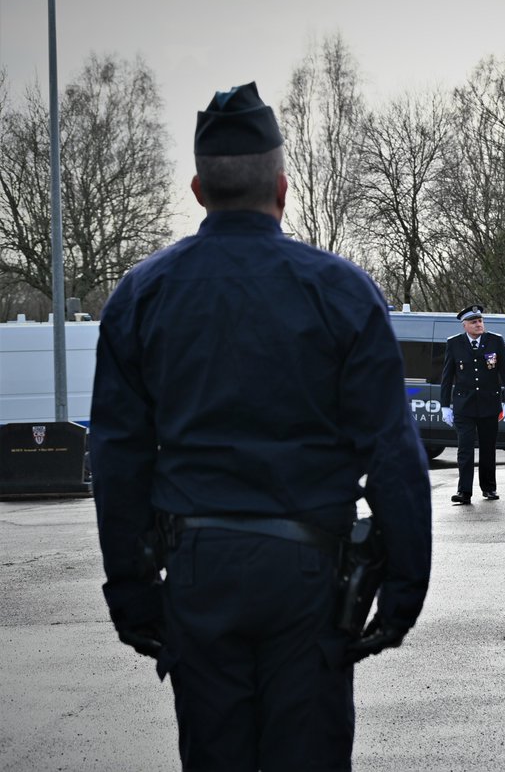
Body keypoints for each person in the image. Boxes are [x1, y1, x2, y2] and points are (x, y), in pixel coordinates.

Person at [90, 82, 433, 770]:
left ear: (196, 189)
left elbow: (118, 456)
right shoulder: (340, 291)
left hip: (196, 569)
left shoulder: (141, 294)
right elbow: (393, 451)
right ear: (282, 189)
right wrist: (401, 594)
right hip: (310, 575)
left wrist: (131, 594)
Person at [440, 305, 505, 505]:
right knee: (465, 449)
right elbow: (447, 377)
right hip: (464, 405)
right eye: (474, 322)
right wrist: (445, 405)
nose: (478, 324)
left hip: (489, 403)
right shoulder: (454, 344)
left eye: (480, 320)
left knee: (488, 448)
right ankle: (464, 491)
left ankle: (489, 488)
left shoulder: (495, 341)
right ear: (465, 325)